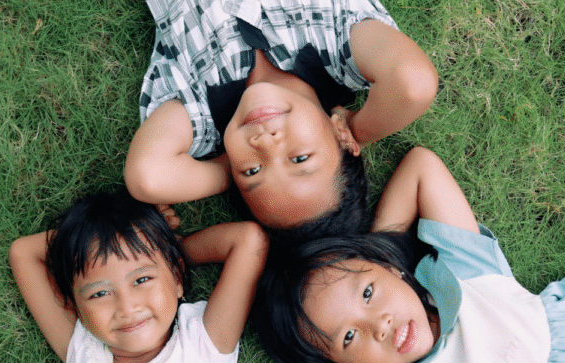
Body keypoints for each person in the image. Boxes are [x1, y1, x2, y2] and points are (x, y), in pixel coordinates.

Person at [254, 147, 565, 363]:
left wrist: (380, 249)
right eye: (349, 336)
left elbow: (421, 167)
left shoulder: (466, 274)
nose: (380, 324)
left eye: (368, 293)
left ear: (390, 270)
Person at [124, 0, 438, 239]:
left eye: (252, 171)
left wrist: (230, 167)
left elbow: (147, 177)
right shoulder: (336, 50)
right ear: (342, 141)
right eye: (299, 158)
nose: (266, 144)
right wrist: (355, 127)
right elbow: (413, 85)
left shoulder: (202, 106)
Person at [9, 191, 268, 363]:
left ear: (177, 277)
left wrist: (160, 242)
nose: (127, 307)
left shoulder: (202, 346)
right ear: (75, 306)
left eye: (142, 279)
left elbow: (248, 241)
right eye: (99, 293)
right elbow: (23, 253)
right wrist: (90, 233)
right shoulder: (83, 352)